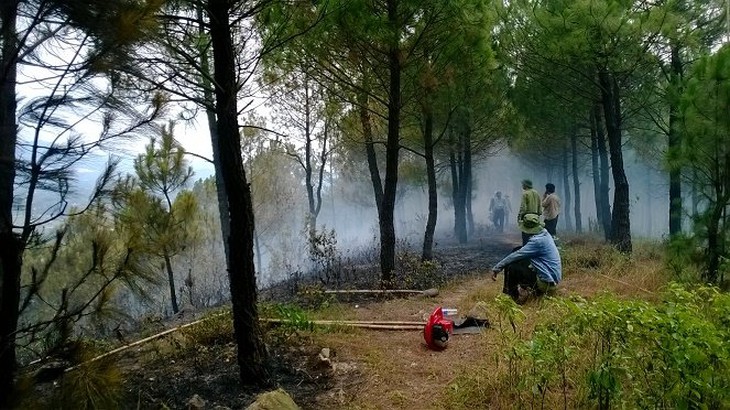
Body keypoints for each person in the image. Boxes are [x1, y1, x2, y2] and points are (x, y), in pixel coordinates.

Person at [491, 214, 562, 303]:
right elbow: (518, 252)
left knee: (512, 267)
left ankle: (512, 297)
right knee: (516, 250)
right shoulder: (544, 233)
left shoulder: (537, 242)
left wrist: (497, 268)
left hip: (546, 282)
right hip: (551, 277)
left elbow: (516, 255)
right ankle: (512, 292)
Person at [518, 179, 542, 244]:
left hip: (527, 217)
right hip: (535, 217)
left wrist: (520, 217)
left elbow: (523, 207)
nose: (522, 185)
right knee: (534, 235)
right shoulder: (536, 193)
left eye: (523, 184)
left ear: (526, 185)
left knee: (526, 236)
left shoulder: (525, 193)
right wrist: (538, 214)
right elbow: (540, 206)